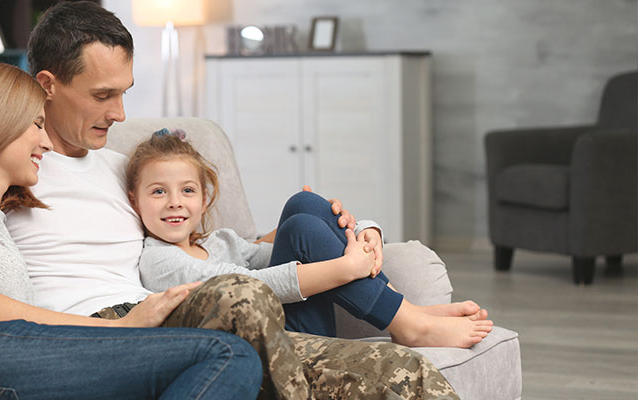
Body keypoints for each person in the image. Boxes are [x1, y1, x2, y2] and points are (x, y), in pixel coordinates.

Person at [0, 2, 460, 399]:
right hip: (81, 332)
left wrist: (349, 224)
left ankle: (400, 327)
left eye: (126, 93)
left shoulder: (125, 168)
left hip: (158, 311)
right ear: (46, 88)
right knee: (238, 304)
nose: (121, 114)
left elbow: (211, 245)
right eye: (103, 95)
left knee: (404, 376)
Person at [0, 61, 264, 399]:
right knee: (226, 354)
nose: (46, 141)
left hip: (4, 356)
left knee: (222, 357)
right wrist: (123, 327)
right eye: (37, 125)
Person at [128, 130, 494, 348]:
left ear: (204, 198)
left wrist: (366, 228)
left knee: (303, 206)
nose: (174, 201)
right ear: (134, 200)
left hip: (290, 327)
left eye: (186, 190)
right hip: (271, 346)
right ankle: (409, 322)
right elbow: (250, 285)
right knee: (301, 228)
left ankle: (404, 312)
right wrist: (346, 266)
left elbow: (295, 244)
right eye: (158, 192)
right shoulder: (157, 261)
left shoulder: (219, 241)